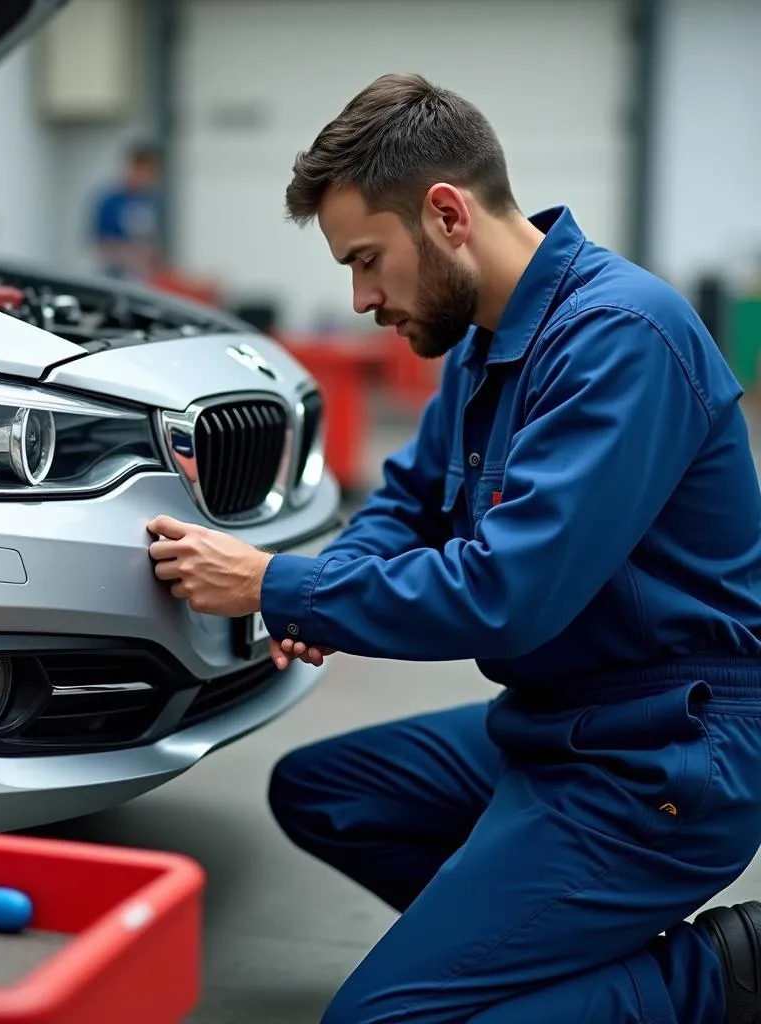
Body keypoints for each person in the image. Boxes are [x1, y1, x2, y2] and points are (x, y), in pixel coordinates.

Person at [146, 72, 761, 1024]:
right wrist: (325, 585)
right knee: (326, 792)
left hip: (664, 752)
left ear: (445, 215)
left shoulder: (620, 337)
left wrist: (274, 584)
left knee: (377, 1021)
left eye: (366, 260)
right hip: (560, 719)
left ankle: (713, 979)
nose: (359, 298)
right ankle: (529, 957)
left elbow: (507, 594)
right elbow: (408, 504)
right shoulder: (485, 343)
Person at [89, 141, 162, 281]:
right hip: (115, 275)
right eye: (144, 171)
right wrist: (129, 255)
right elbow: (100, 242)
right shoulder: (111, 201)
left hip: (145, 276)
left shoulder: (153, 201)